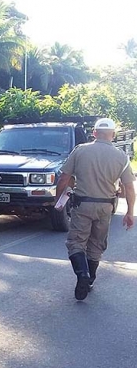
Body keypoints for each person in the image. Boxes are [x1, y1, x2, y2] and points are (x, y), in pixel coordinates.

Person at [54, 117, 135, 301]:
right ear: (113, 135)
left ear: (94, 133)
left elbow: (64, 179)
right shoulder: (121, 156)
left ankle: (82, 274)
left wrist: (58, 200)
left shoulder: (80, 151)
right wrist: (130, 212)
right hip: (106, 206)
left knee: (76, 242)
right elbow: (129, 187)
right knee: (96, 245)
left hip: (82, 204)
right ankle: (90, 280)